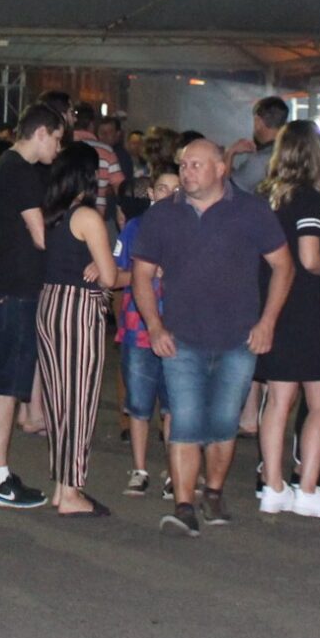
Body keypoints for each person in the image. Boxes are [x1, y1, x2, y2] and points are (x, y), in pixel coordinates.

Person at [131, 137, 292, 537]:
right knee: (184, 422)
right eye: (183, 165)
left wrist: (268, 321)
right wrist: (154, 325)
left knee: (223, 423)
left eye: (196, 165)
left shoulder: (252, 211)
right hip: (181, 338)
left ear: (221, 168)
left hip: (238, 338)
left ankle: (214, 491)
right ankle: (184, 504)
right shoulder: (163, 216)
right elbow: (141, 276)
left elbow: (284, 267)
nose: (187, 172)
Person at [256, 120, 320, 519]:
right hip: (306, 308)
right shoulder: (309, 199)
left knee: (277, 401)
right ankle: (307, 488)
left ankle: (273, 485)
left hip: (273, 303)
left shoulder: (268, 198)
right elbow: (309, 259)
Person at [0, 103, 64, 509]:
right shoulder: (19, 171)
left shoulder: (6, 167)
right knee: (7, 385)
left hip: (6, 286)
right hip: (13, 289)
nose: (58, 148)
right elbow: (39, 233)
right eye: (58, 138)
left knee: (6, 383)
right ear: (43, 132)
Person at [32, 142, 121, 517]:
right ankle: (71, 490)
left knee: (59, 401)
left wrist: (98, 268)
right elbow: (112, 277)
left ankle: (61, 485)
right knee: (80, 401)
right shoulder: (87, 217)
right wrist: (105, 268)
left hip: (50, 302)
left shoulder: (51, 215)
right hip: (79, 308)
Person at [114, 168, 178, 495]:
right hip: (138, 326)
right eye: (162, 188)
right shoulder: (135, 228)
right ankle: (139, 469)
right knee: (138, 404)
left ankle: (173, 471)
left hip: (177, 327)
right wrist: (148, 272)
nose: (167, 194)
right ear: (151, 193)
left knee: (173, 405)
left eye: (174, 189)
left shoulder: (189, 227)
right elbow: (116, 276)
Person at [226, 96, 289, 196]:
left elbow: (226, 191)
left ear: (258, 122)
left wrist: (230, 152)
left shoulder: (260, 160)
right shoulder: (291, 151)